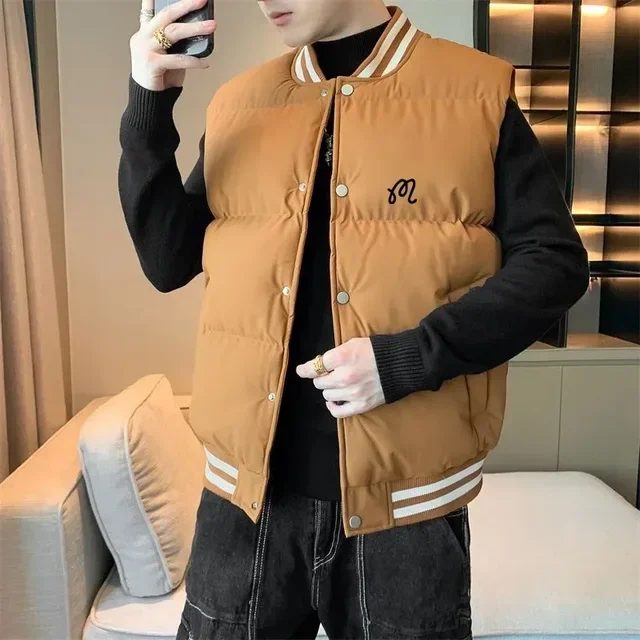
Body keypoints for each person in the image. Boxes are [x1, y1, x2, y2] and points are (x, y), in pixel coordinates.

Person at [118, 0, 590, 637]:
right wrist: (148, 106)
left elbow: (555, 263)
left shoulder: (474, 91)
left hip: (404, 511)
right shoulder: (239, 103)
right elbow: (166, 260)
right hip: (244, 504)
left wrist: (406, 359)